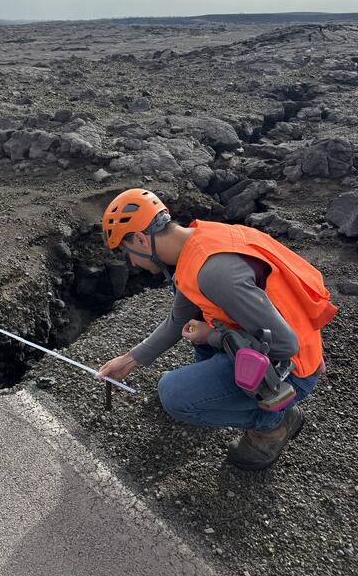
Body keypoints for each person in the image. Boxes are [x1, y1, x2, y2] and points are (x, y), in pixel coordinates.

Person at [97, 188, 337, 471]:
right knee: (195, 326)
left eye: (128, 253)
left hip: (289, 371)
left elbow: (285, 344)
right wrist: (130, 359)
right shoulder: (201, 241)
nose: (133, 263)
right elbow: (179, 319)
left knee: (173, 394)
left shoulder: (213, 273)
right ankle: (216, 396)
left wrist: (211, 335)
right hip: (282, 343)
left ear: (140, 238)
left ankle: (275, 422)